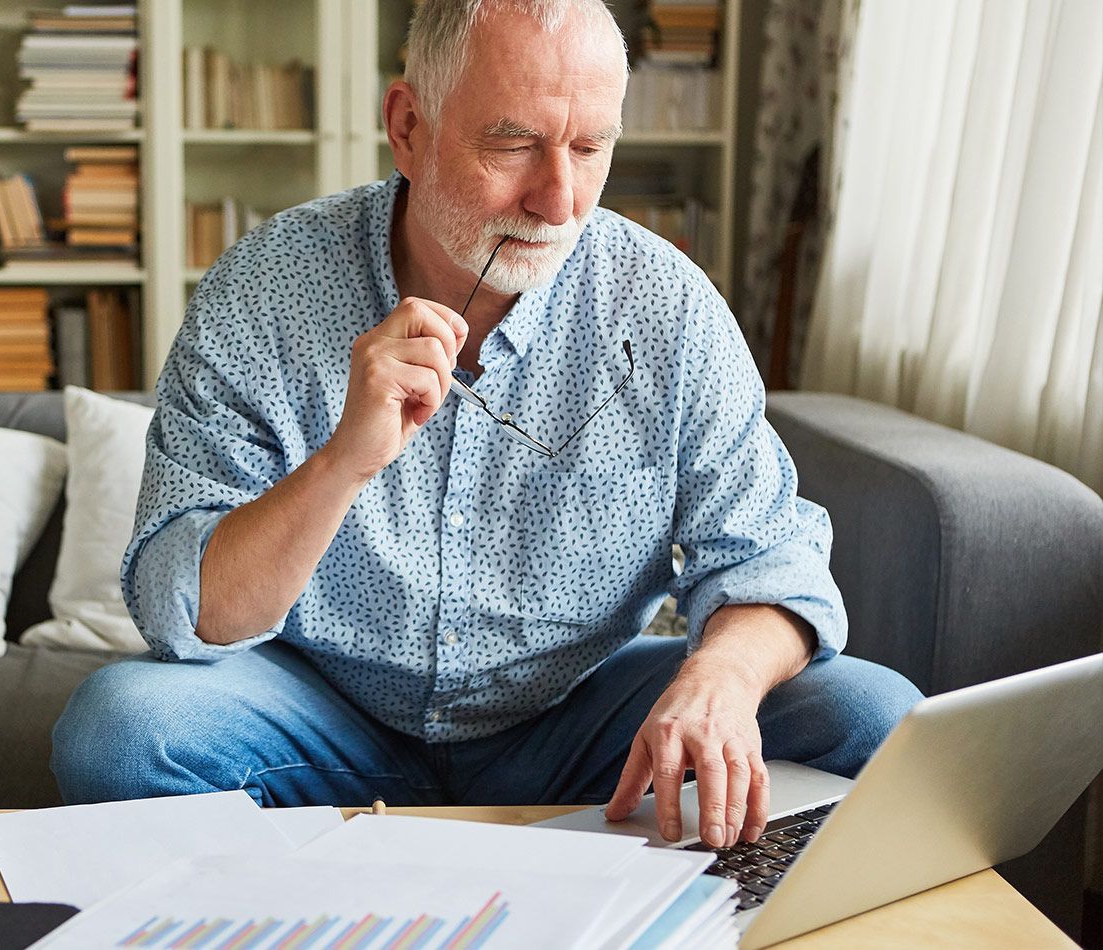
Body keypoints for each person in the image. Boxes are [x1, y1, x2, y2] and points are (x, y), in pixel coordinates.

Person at [51, 0, 923, 851]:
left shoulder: (669, 309)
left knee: (872, 719)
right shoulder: (265, 289)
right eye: (513, 144)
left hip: (580, 727)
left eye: (590, 149)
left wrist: (721, 680)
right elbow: (183, 612)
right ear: (408, 125)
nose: (558, 201)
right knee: (119, 732)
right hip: (324, 723)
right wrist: (341, 466)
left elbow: (770, 558)